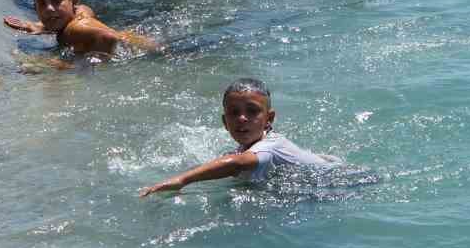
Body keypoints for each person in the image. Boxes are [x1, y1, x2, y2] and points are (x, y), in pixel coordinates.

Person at [139, 78, 333, 196]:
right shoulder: (246, 148)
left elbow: (238, 164)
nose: (242, 118)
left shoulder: (269, 147)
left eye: (252, 111)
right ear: (225, 122)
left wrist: (182, 180)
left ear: (269, 118)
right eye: (234, 112)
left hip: (340, 182)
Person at [4, 0, 155, 58]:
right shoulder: (79, 12)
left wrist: (63, 64)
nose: (49, 8)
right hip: (145, 41)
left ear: (73, 0)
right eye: (41, 3)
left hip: (148, 53)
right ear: (35, 8)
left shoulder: (74, 29)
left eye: (56, 1)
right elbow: (85, 10)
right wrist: (42, 27)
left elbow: (110, 37)